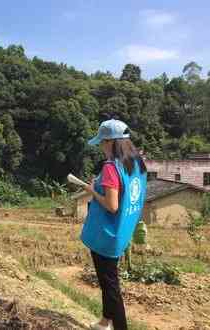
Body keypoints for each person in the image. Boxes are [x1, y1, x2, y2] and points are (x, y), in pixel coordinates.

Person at [80, 119, 147, 330]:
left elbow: (112, 205)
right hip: (122, 231)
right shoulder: (137, 163)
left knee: (110, 286)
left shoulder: (110, 167)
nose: (101, 146)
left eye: (102, 142)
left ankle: (119, 326)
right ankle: (105, 322)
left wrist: (93, 191)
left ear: (110, 142)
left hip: (106, 235)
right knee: (109, 282)